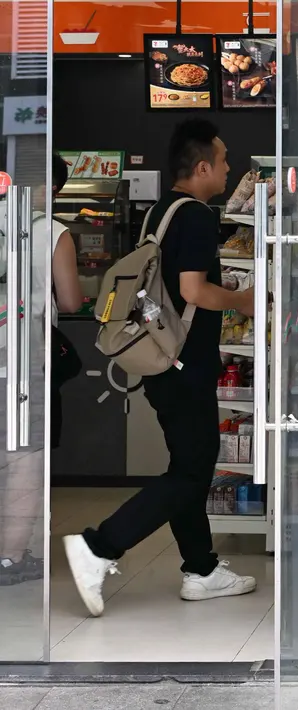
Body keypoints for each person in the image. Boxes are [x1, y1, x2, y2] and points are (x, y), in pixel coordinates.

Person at [62, 119, 257, 617]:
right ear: (202, 167)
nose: (230, 168)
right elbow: (193, 291)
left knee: (186, 466)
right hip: (183, 362)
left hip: (162, 360)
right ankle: (100, 545)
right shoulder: (194, 216)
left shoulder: (160, 213)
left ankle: (202, 569)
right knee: (193, 472)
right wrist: (245, 300)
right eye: (225, 159)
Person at [0, 153, 83, 586]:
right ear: (51, 188)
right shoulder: (51, 231)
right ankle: (10, 557)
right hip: (21, 359)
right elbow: (70, 302)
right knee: (23, 456)